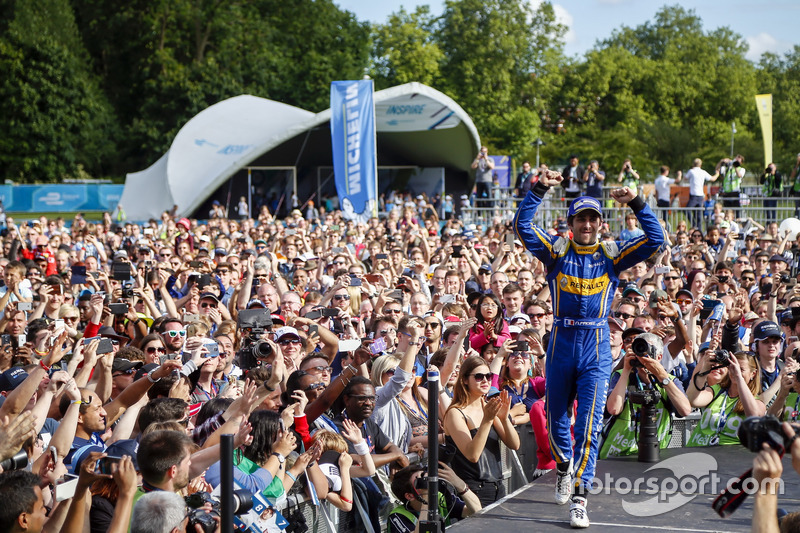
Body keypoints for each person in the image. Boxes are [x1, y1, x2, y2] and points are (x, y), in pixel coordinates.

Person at [512, 168, 664, 528]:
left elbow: (656, 238)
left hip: (596, 344)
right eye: (581, 218)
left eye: (593, 218)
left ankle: (580, 497)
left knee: (590, 426)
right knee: (556, 418)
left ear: (600, 223)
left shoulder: (612, 255)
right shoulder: (556, 250)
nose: (588, 224)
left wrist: (638, 202)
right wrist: (540, 188)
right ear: (572, 222)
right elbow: (522, 226)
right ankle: (564, 467)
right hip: (562, 341)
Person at [443, 356, 520, 507]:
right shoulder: (455, 413)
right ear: (465, 380)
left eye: (488, 376)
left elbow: (515, 444)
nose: (485, 380)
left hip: (498, 486)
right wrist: (487, 420)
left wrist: (504, 419)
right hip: (473, 491)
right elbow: (472, 455)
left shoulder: (487, 407)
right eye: (479, 377)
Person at [600, 333, 692, 459]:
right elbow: (613, 409)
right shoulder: (621, 376)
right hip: (617, 454)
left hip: (653, 455)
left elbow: (685, 410)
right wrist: (627, 369)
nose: (643, 354)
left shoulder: (670, 380)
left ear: (659, 357)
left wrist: (662, 376)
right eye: (640, 349)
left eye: (648, 349)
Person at [387, 463, 481, 533]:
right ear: (410, 496)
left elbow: (477, 511)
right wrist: (426, 497)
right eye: (420, 481)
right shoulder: (397, 516)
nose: (427, 482)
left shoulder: (440, 499)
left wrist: (460, 485)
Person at [685, 158, 718, 230]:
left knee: (687, 210)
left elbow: (685, 178)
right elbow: (712, 179)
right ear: (700, 165)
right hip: (700, 195)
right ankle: (699, 229)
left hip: (693, 195)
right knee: (699, 215)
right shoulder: (703, 172)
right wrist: (717, 173)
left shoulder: (691, 171)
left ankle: (694, 225)